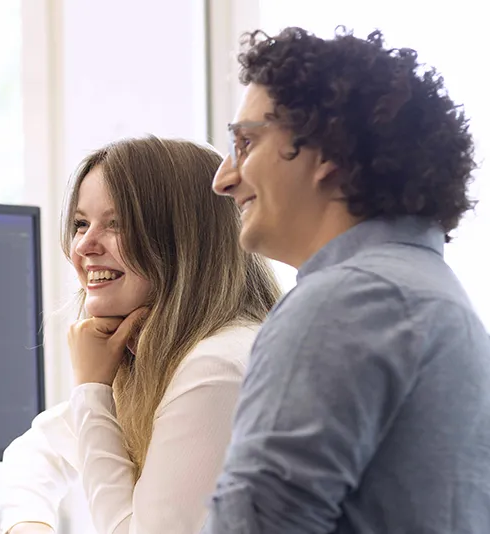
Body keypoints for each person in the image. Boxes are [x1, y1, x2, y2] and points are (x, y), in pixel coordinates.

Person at [205, 26, 490, 534]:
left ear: (328, 149)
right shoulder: (435, 294)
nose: (224, 177)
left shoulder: (345, 300)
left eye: (246, 142)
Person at [0, 136, 282, 534]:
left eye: (117, 224)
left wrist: (92, 389)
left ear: (184, 240)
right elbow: (35, 451)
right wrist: (28, 523)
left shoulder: (217, 367)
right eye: (81, 223)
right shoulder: (162, 352)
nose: (84, 244)